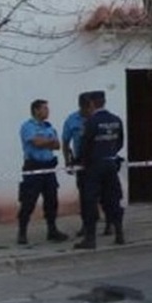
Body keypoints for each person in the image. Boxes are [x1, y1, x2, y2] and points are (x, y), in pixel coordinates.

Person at [74, 91, 125, 249]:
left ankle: (90, 239)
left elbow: (85, 145)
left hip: (94, 166)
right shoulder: (116, 120)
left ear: (92, 103)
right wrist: (109, 153)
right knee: (113, 200)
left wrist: (80, 161)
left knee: (90, 201)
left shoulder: (91, 122)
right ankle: (119, 234)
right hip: (111, 164)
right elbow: (120, 142)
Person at [17, 99, 69, 245]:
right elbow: (36, 143)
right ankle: (22, 232)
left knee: (52, 200)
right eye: (44, 108)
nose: (48, 111)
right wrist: (48, 141)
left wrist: (45, 141)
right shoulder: (28, 126)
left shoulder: (48, 127)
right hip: (33, 168)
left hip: (48, 168)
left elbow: (57, 145)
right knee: (28, 201)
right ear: (36, 110)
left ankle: (52, 230)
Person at [62, 92, 113, 238]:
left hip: (100, 160)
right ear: (82, 106)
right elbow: (65, 142)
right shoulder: (72, 120)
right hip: (82, 161)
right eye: (87, 108)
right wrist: (68, 161)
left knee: (105, 194)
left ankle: (110, 223)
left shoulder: (99, 118)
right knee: (85, 196)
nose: (89, 110)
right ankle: (87, 225)